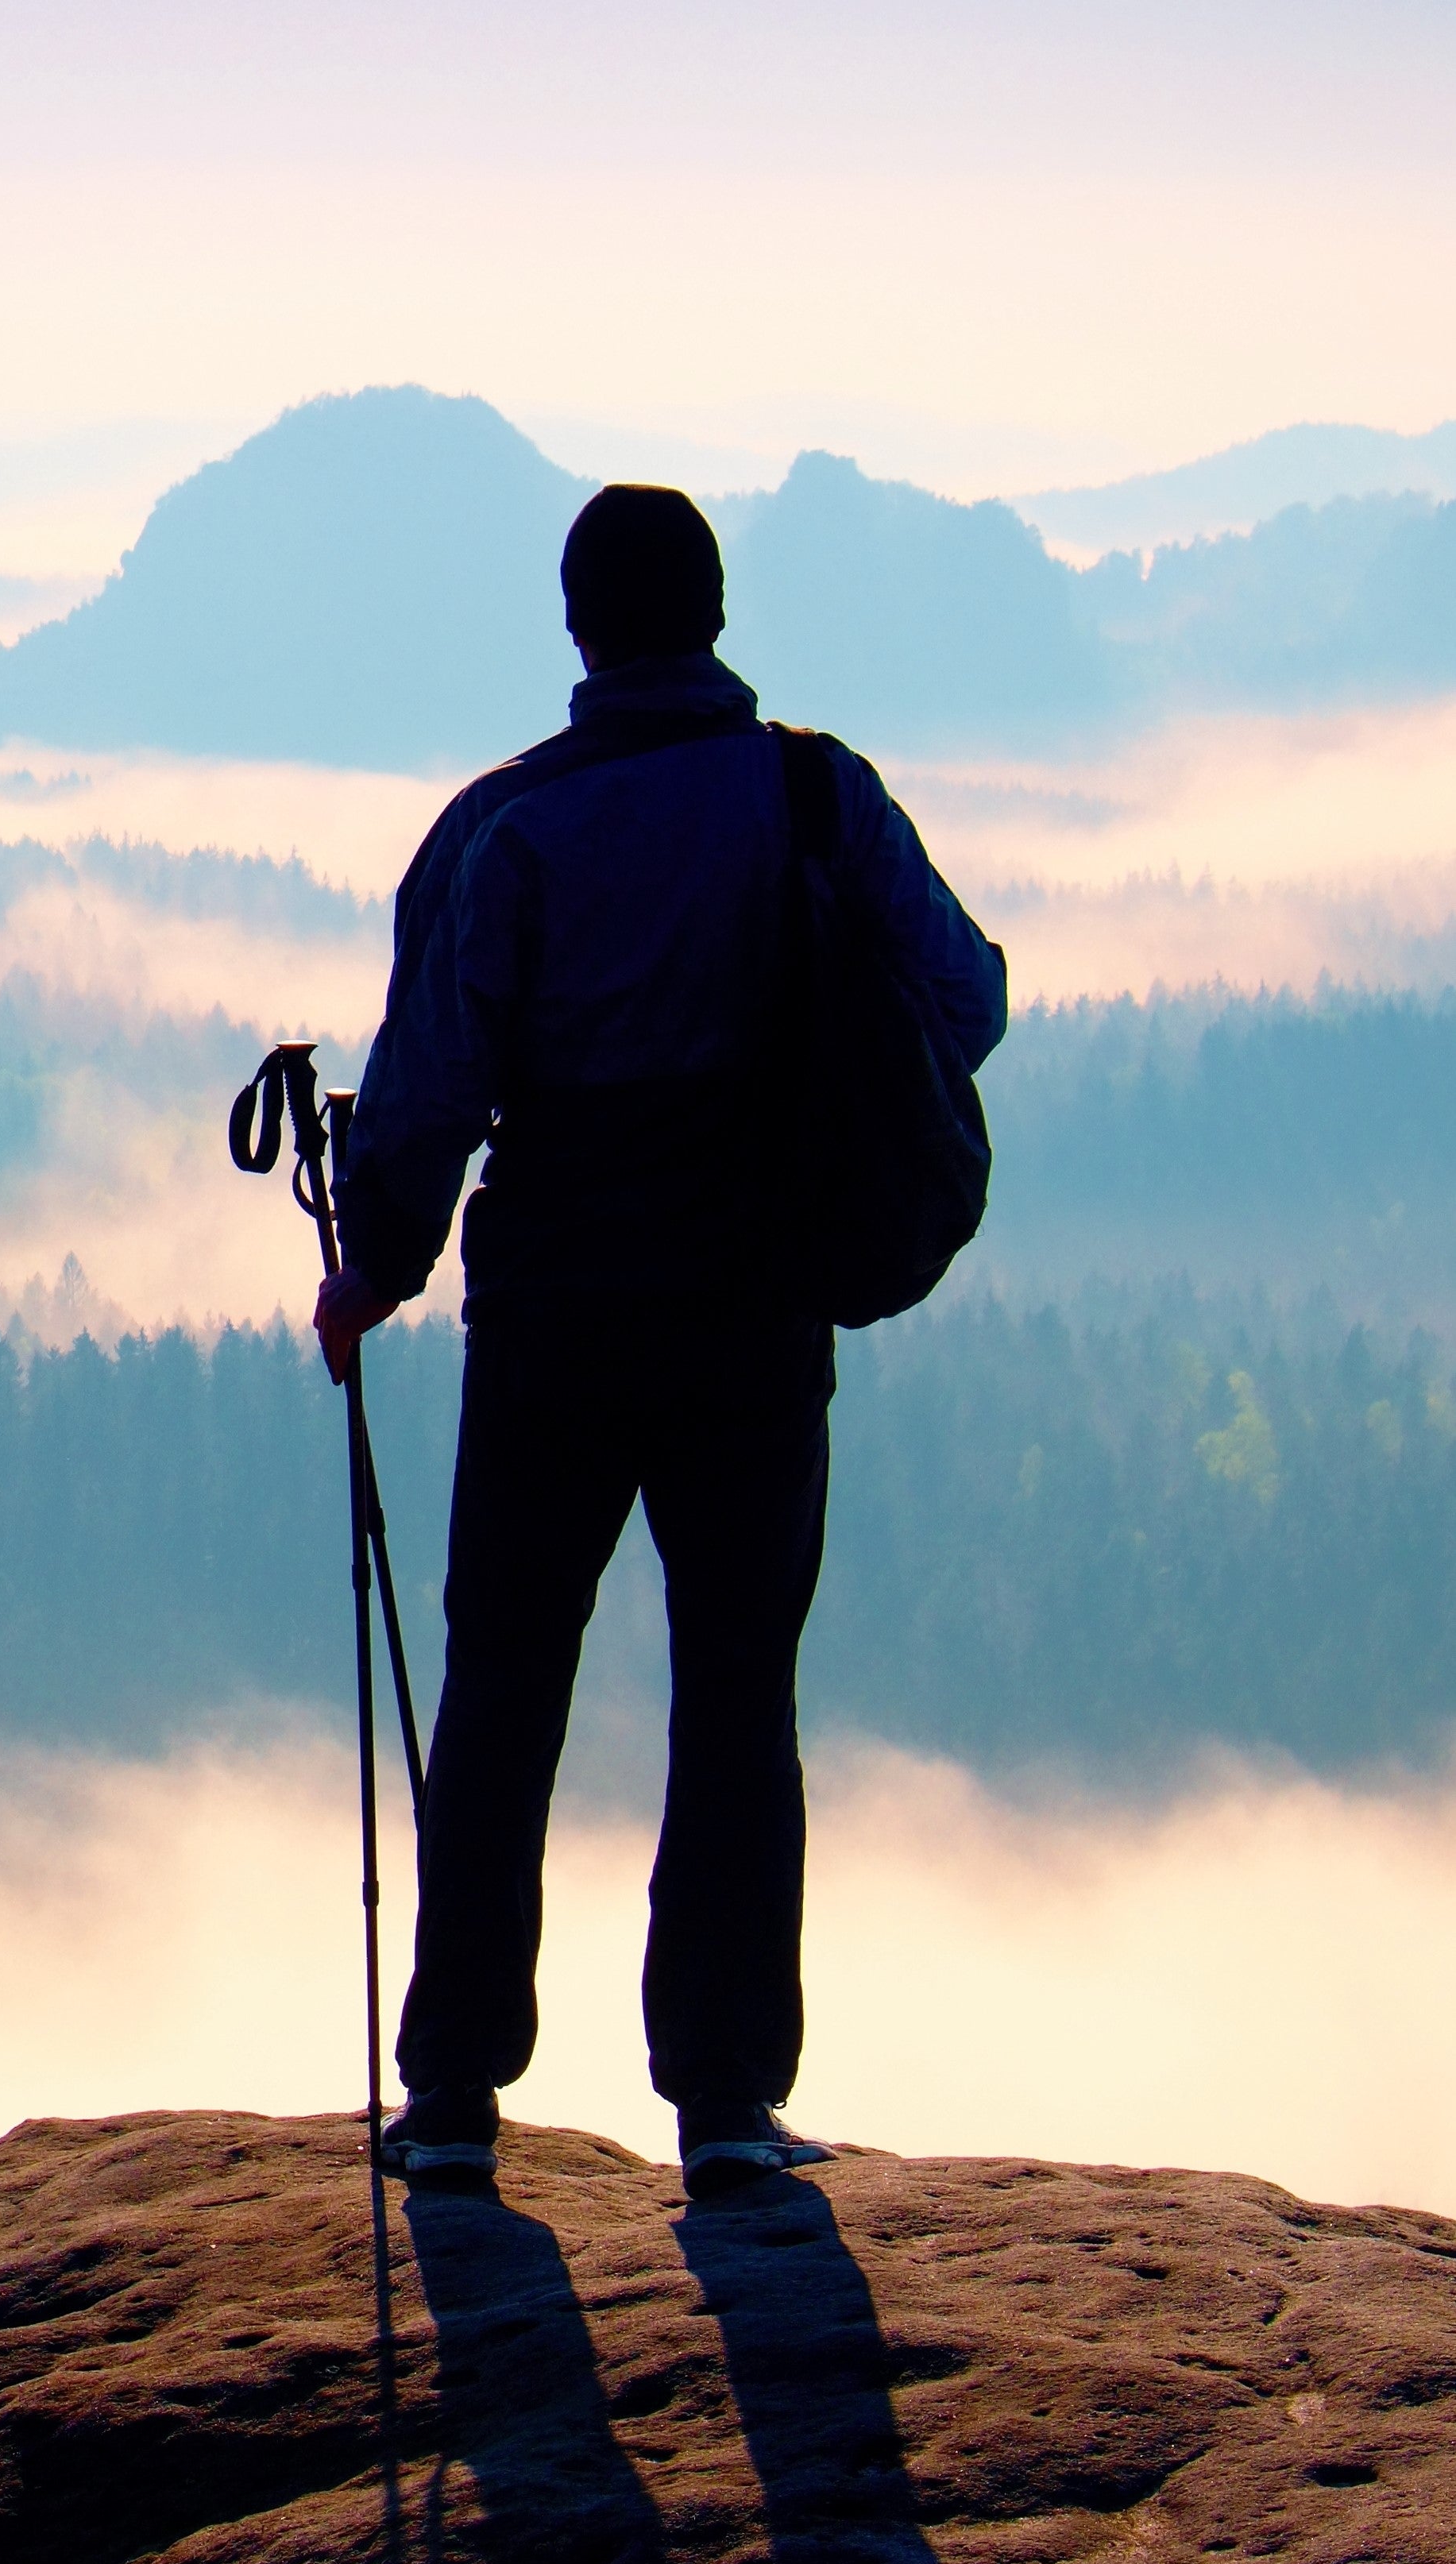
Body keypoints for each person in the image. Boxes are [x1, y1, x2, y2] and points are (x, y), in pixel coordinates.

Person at [314, 485, 1007, 2195]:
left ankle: (456, 2093)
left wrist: (364, 1275)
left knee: (502, 1679)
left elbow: (424, 1101)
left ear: (576, 626)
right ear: (709, 610)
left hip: (554, 1315)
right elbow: (967, 997)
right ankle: (722, 2102)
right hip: (753, 1311)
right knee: (734, 1686)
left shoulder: (503, 833)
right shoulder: (813, 797)